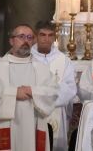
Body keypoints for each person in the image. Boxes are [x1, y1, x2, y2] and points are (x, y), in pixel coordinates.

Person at [0, 24, 58, 151]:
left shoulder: (42, 69)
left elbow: (53, 92)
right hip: (6, 126)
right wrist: (14, 93)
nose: (26, 41)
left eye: (29, 37)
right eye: (21, 37)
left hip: (33, 124)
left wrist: (32, 91)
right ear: (11, 40)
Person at [31, 21, 77, 151]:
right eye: (42, 35)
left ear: (54, 37)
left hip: (56, 111)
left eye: (50, 35)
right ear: (36, 36)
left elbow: (70, 88)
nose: (46, 39)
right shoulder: (27, 57)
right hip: (32, 111)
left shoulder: (63, 60)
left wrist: (45, 98)